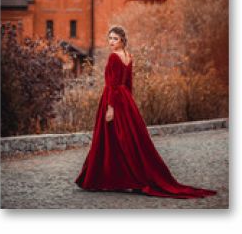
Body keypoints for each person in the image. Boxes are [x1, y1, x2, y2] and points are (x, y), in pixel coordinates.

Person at [74, 25, 217, 199]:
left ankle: (108, 179)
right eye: (110, 38)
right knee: (123, 140)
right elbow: (128, 84)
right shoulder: (129, 56)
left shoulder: (113, 57)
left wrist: (110, 107)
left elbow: (112, 84)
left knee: (110, 139)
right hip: (125, 99)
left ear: (122, 40)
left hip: (113, 99)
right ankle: (123, 178)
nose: (111, 42)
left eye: (115, 39)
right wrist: (129, 103)